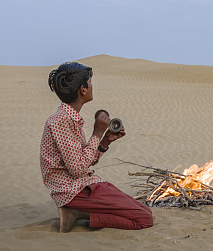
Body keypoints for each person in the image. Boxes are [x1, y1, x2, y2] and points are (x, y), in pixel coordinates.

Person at [40, 62, 153, 232]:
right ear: (83, 89)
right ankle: (77, 213)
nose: (92, 86)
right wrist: (97, 133)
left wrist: (104, 141)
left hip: (85, 185)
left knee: (145, 211)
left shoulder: (70, 118)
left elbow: (83, 161)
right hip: (75, 191)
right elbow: (77, 169)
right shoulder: (61, 121)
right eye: (90, 82)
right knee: (144, 219)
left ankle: (75, 213)